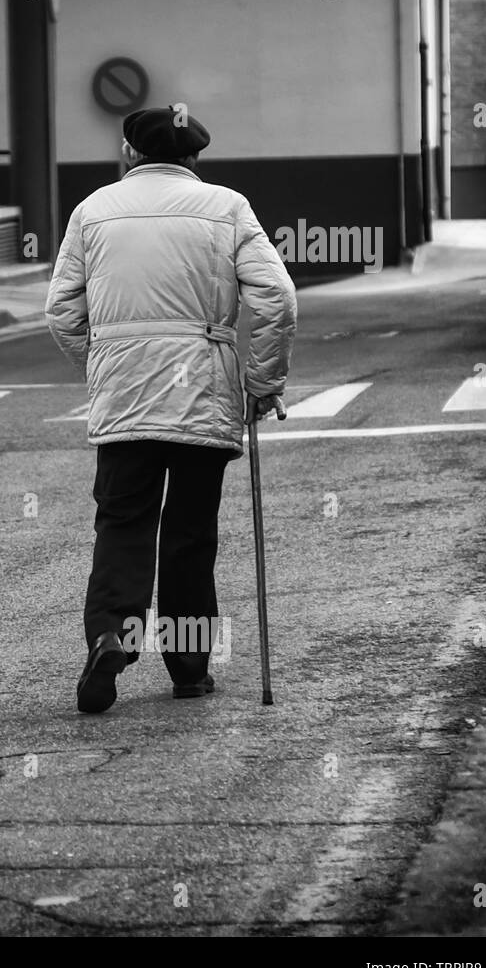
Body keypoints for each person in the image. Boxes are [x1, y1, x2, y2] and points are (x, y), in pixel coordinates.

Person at [45, 105, 297, 714]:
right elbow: (277, 299)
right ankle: (188, 669)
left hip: (125, 394)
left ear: (130, 154)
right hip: (200, 392)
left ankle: (110, 634)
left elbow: (61, 310)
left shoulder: (92, 210)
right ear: (194, 158)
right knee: (189, 533)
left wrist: (106, 359)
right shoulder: (228, 207)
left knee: (123, 523)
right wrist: (261, 382)